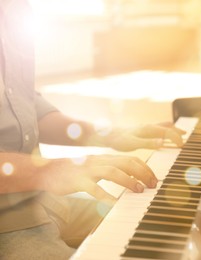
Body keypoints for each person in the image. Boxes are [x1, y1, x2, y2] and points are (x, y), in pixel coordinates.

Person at [0, 1, 185, 259]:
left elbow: (25, 107)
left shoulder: (17, 9)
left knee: (168, 226)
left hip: (44, 199)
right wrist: (50, 170)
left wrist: (111, 135)